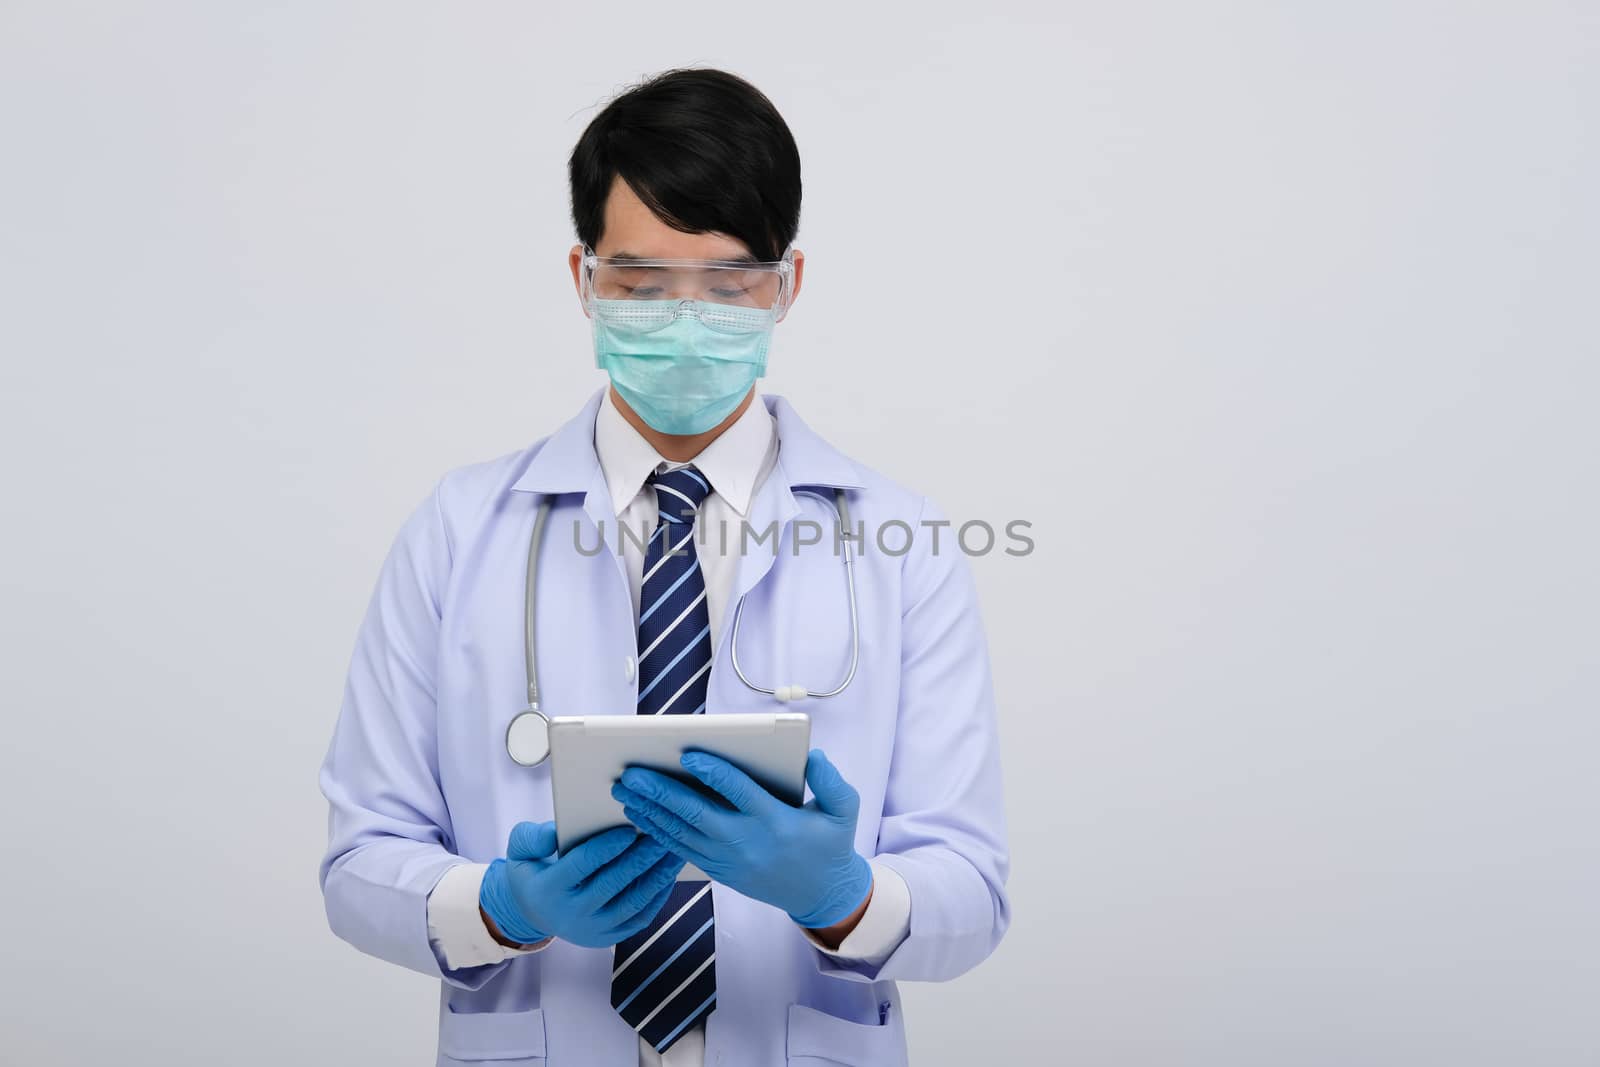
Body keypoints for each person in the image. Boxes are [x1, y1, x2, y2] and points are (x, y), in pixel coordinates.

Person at [317, 67, 1009, 1067]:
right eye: (642, 287)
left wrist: (845, 896)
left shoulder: (900, 541)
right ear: (582, 278)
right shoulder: (458, 528)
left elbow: (972, 896)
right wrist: (501, 907)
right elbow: (357, 863)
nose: (685, 321)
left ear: (787, 286)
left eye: (727, 286)